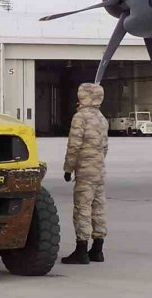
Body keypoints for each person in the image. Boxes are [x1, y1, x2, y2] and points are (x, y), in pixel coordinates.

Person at [61, 82, 109, 265]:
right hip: (99, 169)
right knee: (99, 208)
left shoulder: (80, 117)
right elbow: (105, 147)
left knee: (82, 208)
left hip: (85, 170)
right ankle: (97, 250)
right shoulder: (102, 118)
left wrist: (68, 168)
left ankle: (81, 250)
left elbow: (74, 145)